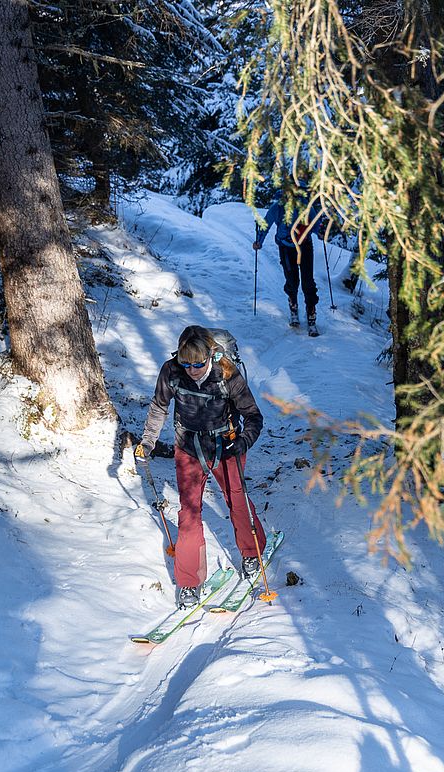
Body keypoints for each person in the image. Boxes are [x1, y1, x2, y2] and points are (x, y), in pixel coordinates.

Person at [134, 326, 265, 608]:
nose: (192, 369)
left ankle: (252, 552)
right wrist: (148, 441)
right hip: (189, 447)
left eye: (198, 363)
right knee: (189, 513)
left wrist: (244, 441)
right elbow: (159, 406)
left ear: (211, 356)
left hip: (225, 446)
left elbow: (253, 416)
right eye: (187, 363)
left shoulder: (228, 374)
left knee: (237, 501)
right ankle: (189, 581)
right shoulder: (171, 371)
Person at [253, 186, 326, 337]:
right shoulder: (278, 207)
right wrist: (259, 241)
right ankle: (294, 307)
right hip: (287, 247)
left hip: (303, 246)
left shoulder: (305, 205)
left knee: (307, 281)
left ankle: (311, 316)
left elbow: (314, 224)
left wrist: (319, 231)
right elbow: (265, 224)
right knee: (293, 280)